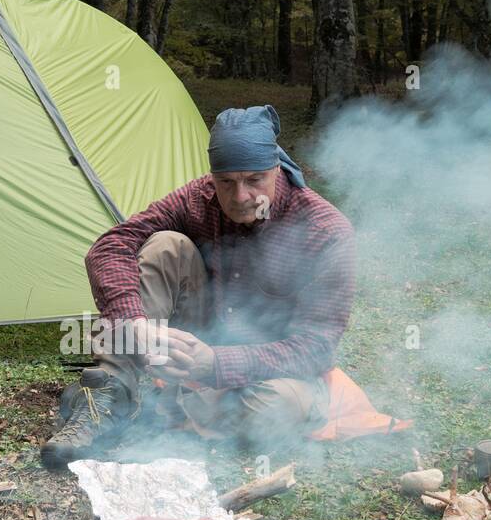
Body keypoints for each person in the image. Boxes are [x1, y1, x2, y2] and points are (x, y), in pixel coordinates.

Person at [41, 105, 355, 470]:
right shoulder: (199, 197)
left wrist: (216, 363)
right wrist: (134, 322)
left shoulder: (326, 231)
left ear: (277, 170)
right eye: (226, 183)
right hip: (202, 342)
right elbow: (111, 245)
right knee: (166, 245)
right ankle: (110, 395)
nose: (240, 196)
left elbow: (315, 348)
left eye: (254, 180)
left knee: (274, 407)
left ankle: (163, 413)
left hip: (274, 369)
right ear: (213, 176)